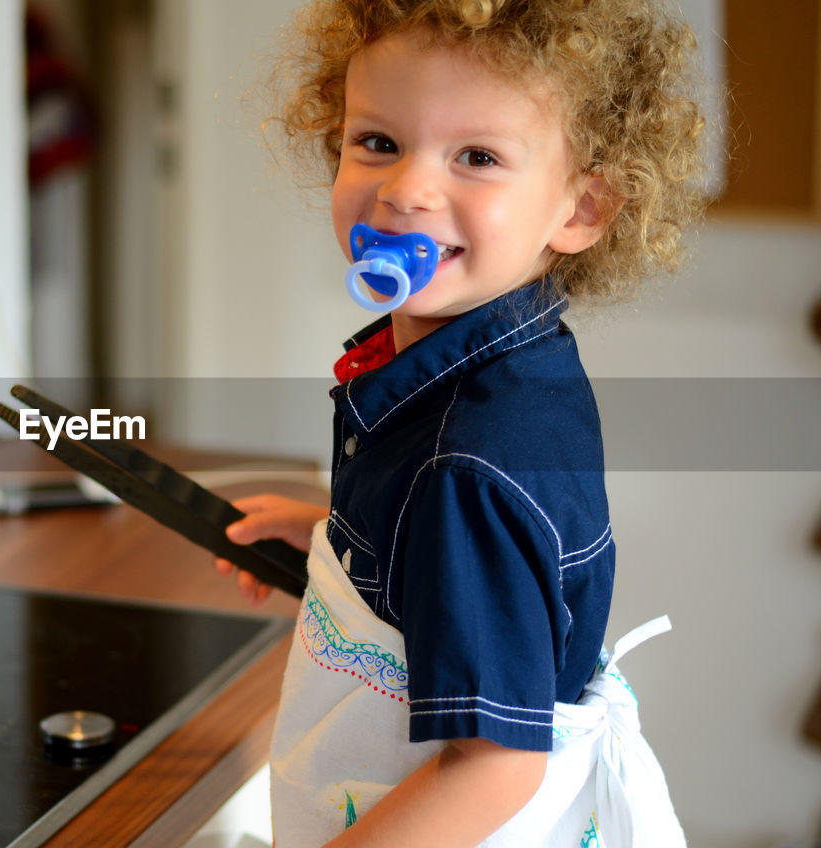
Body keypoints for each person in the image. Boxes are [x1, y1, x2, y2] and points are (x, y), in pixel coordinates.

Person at [213, 1, 707, 845]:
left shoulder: (465, 465)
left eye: (476, 157)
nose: (407, 189)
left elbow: (496, 767)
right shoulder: (501, 364)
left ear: (580, 209)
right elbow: (462, 565)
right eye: (377, 142)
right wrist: (344, 541)